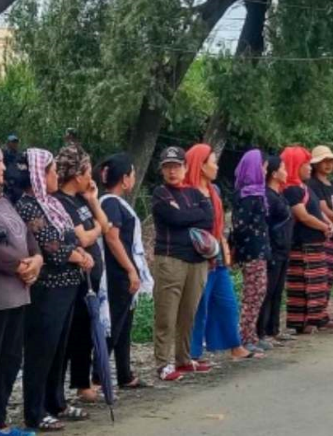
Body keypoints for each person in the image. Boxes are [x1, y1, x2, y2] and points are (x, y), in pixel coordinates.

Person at [16, 148, 94, 430]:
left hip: (67, 286)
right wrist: (80, 256)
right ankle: (35, 412)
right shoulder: (28, 206)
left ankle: (56, 402)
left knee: (59, 348)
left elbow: (72, 236)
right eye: (50, 171)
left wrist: (79, 253)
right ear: (38, 174)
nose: (55, 176)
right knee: (41, 349)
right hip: (46, 289)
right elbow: (49, 246)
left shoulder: (51, 203)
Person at [185, 145, 256, 363]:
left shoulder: (214, 191)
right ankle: (192, 353)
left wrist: (224, 250)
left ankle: (234, 345)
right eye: (213, 162)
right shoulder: (187, 193)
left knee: (227, 302)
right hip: (198, 256)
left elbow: (219, 226)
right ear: (201, 165)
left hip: (217, 254)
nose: (216, 167)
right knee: (199, 306)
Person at [52, 144, 111, 404]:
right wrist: (97, 229)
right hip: (73, 279)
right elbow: (83, 237)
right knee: (73, 333)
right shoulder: (61, 202)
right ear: (78, 175)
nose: (92, 178)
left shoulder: (81, 199)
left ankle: (81, 382)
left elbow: (105, 225)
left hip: (92, 277)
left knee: (85, 331)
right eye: (88, 171)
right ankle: (66, 388)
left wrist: (93, 200)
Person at [150, 146, 214, 382]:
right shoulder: (160, 193)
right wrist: (191, 215)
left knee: (189, 312)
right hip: (170, 258)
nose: (172, 171)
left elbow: (208, 219)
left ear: (186, 168)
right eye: (167, 167)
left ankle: (183, 358)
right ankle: (162, 363)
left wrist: (186, 214)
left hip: (197, 260)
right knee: (166, 313)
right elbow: (173, 218)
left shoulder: (196, 194)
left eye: (176, 166)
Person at [0, 140, 41, 436]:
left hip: (17, 295)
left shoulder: (4, 200)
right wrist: (20, 265)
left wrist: (36, 259)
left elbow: (28, 233)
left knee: (9, 360)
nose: (2, 166)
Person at [96, 154, 150, 391]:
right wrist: (130, 269)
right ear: (124, 178)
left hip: (124, 272)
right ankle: (97, 375)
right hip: (117, 274)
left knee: (125, 324)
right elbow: (112, 237)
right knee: (113, 324)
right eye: (132, 174)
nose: (133, 179)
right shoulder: (110, 203)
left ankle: (124, 372)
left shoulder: (115, 202)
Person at [282, 146, 333, 334]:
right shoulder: (291, 190)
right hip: (302, 243)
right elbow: (303, 216)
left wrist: (328, 223)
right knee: (304, 284)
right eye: (305, 164)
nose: (309, 168)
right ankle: (303, 322)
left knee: (317, 283)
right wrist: (324, 226)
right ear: (295, 165)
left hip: (315, 242)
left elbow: (317, 210)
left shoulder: (305, 187)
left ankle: (317, 317)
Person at [232, 149, 272, 352]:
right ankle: (244, 337)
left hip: (259, 249)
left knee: (259, 292)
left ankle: (252, 335)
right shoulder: (248, 196)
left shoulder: (257, 193)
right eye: (263, 167)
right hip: (251, 251)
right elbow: (240, 227)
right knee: (252, 293)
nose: (265, 172)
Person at [308, 145, 333, 322]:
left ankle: (324, 309)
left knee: (331, 272)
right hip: (326, 232)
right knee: (323, 273)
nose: (328, 165)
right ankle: (319, 311)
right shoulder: (313, 184)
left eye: (330, 161)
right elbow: (321, 206)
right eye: (324, 161)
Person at [258, 156, 293, 344]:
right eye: (283, 168)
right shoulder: (267, 197)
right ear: (274, 173)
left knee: (278, 290)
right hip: (274, 248)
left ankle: (274, 328)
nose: (286, 172)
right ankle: (261, 331)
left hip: (284, 248)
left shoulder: (279, 195)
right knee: (268, 290)